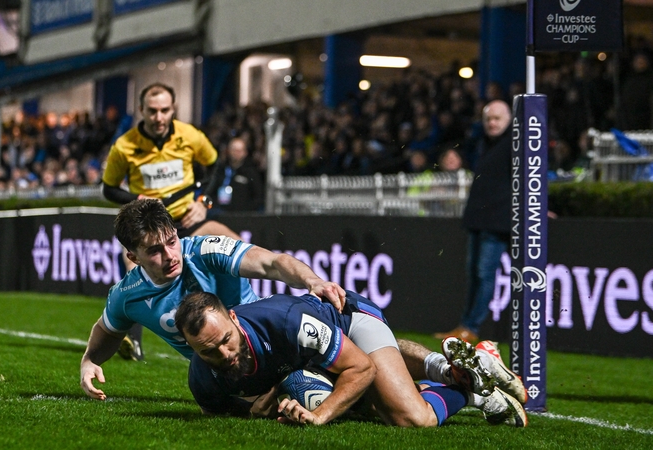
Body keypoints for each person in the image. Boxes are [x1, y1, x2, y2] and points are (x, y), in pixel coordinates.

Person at [79, 198, 346, 398]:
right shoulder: (126, 295)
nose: (171, 255)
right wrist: (90, 361)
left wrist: (314, 281)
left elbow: (272, 264)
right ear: (133, 258)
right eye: (155, 251)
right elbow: (108, 328)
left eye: (172, 241)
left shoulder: (207, 251)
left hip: (272, 345)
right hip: (231, 379)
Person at [175, 290, 527, 427]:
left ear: (234, 319)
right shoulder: (202, 379)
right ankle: (453, 370)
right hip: (308, 360)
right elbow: (234, 413)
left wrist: (318, 415)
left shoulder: (286, 322)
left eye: (225, 341)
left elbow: (361, 367)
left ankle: (468, 390)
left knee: (409, 417)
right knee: (364, 404)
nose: (223, 354)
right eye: (208, 351)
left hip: (349, 323)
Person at [101, 83, 241, 360]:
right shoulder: (124, 146)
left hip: (187, 217)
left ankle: (242, 319)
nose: (159, 117)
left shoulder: (189, 135)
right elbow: (108, 188)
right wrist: (136, 197)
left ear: (173, 109)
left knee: (234, 245)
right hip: (151, 226)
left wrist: (205, 202)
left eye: (165, 110)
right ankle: (130, 337)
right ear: (141, 110)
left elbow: (216, 166)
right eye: (152, 111)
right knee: (134, 270)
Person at [434, 100, 513, 344]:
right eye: (489, 118)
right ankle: (465, 325)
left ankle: (472, 326)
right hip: (479, 219)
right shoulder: (484, 144)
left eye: (497, 118)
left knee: (484, 273)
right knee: (474, 275)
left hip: (497, 221)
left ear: (509, 120)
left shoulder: (515, 145)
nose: (492, 123)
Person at [212, 137, 264, 214]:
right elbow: (212, 190)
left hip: (242, 217)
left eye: (239, 150)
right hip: (221, 214)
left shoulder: (251, 173)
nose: (236, 153)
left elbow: (258, 197)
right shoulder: (220, 170)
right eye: (234, 150)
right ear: (228, 151)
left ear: (245, 152)